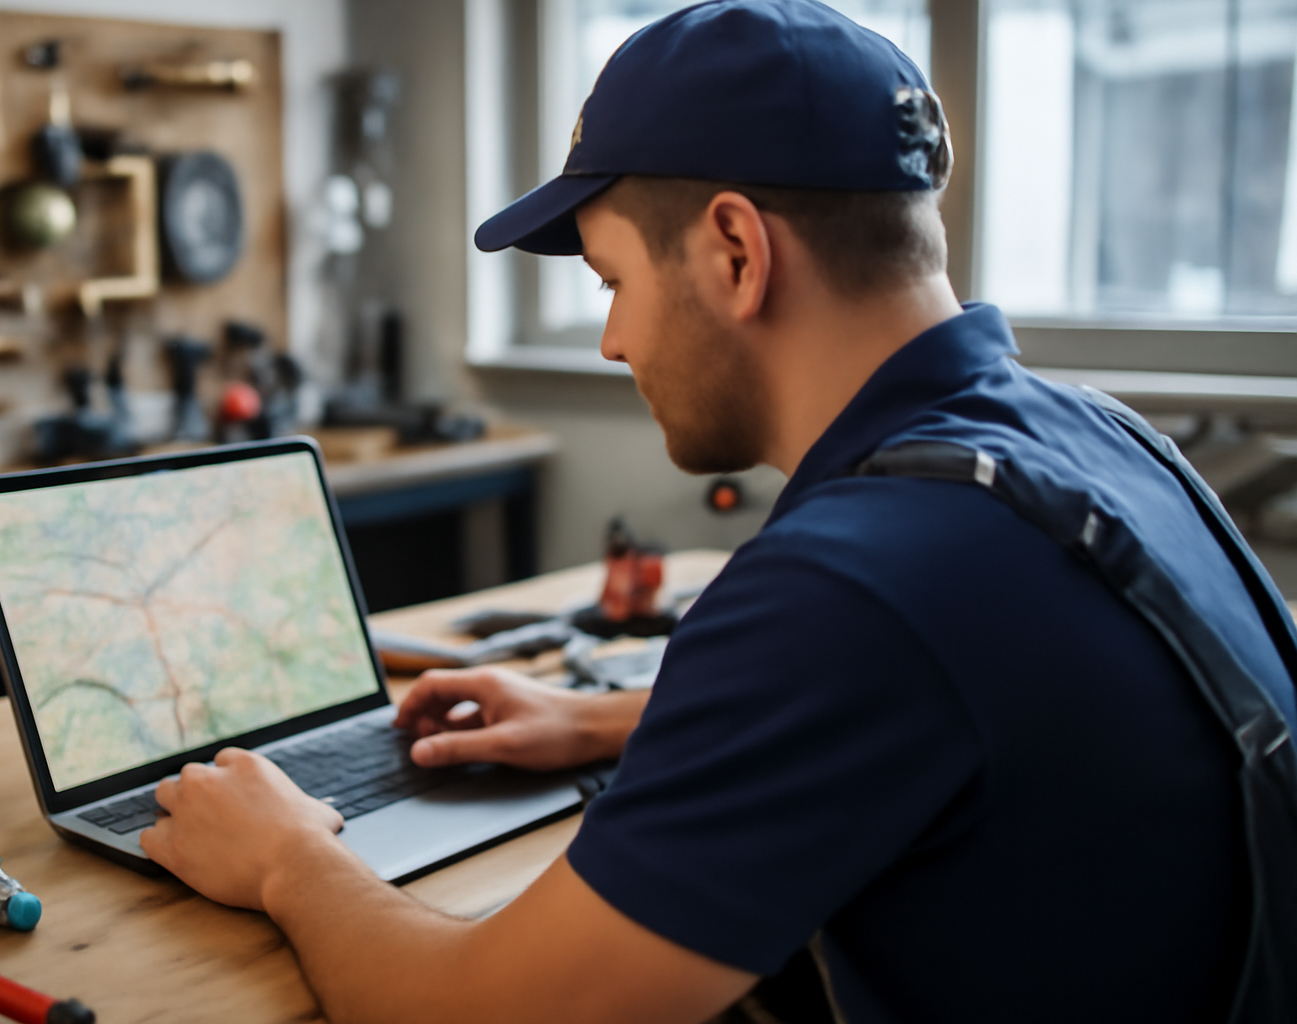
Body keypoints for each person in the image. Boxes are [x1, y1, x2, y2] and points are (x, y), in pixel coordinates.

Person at [141, 2, 1293, 1021]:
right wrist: (596, 718)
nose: (612, 339)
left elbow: (485, 1012)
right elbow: (949, 713)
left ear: (737, 251)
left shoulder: (858, 580)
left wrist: (291, 858)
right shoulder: (1091, 440)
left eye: (612, 284)